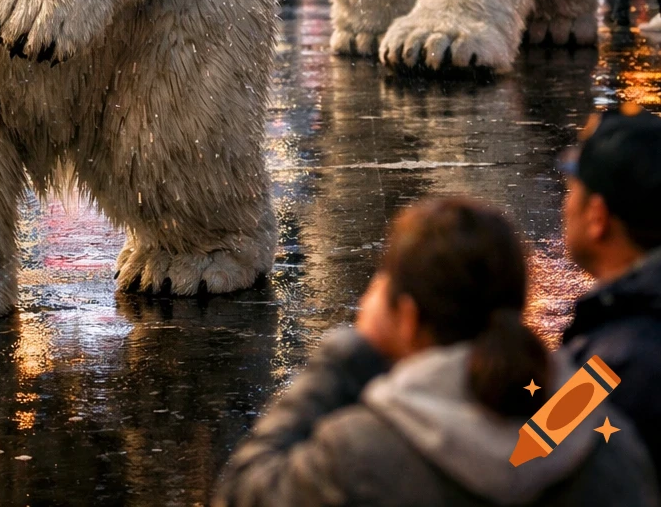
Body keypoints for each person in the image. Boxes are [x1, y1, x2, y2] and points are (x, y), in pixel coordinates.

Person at [212, 195, 657, 507]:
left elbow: (241, 492)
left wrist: (350, 352)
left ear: (405, 317)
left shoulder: (359, 454)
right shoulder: (602, 444)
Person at [561, 106, 661, 484]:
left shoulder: (609, 365)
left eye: (572, 191)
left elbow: (527, 456)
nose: (565, 205)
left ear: (598, 217)